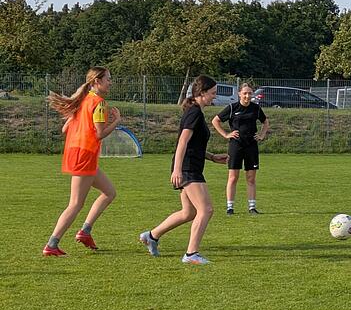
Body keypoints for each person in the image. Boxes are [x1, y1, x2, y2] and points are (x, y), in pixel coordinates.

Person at [139, 75, 228, 265]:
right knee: (206, 209)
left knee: (189, 212)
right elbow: (182, 142)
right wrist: (177, 170)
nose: (215, 96)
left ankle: (151, 236)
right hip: (187, 169)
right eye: (212, 93)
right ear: (202, 93)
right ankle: (191, 254)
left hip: (190, 166)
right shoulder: (194, 112)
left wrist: (211, 157)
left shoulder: (196, 111)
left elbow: (193, 145)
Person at [43, 67, 121, 256]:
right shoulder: (99, 103)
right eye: (108, 79)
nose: (110, 82)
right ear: (97, 81)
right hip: (84, 156)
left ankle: (85, 232)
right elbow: (100, 133)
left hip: (78, 154)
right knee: (76, 203)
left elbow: (64, 129)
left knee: (109, 193)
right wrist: (116, 121)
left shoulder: (82, 101)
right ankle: (52, 245)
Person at [211, 83, 269, 215]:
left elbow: (265, 122)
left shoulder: (256, 108)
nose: (248, 96)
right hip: (236, 145)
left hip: (251, 146)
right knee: (233, 177)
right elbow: (215, 120)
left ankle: (252, 207)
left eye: (250, 93)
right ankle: (230, 207)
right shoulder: (232, 108)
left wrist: (261, 135)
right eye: (245, 93)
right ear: (239, 94)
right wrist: (226, 134)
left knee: (251, 178)